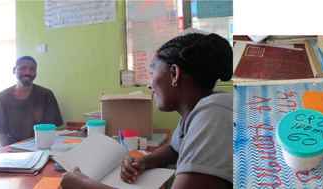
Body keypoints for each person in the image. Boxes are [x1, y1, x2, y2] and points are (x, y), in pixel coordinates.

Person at [60, 32, 233, 188]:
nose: (149, 84)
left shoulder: (214, 114)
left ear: (174, 74)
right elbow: (175, 149)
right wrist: (144, 161)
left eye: (152, 72)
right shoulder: (197, 111)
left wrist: (86, 186)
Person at [0, 56, 63, 147]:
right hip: (11, 147)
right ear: (14, 70)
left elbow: (50, 129)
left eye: (32, 69)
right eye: (22, 68)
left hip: (39, 147)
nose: (27, 73)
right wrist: (6, 152)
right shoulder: (2, 96)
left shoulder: (46, 94)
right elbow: (0, 130)